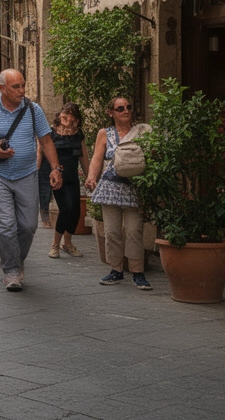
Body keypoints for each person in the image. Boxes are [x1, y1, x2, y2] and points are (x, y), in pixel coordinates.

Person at [0, 69, 60, 291]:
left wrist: (55, 168)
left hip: (27, 174)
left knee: (28, 226)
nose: (22, 90)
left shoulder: (33, 109)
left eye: (22, 85)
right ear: (2, 88)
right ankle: (11, 271)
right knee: (5, 226)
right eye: (16, 87)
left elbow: (46, 140)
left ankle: (16, 259)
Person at [86, 98, 152, 290]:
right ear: (111, 112)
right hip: (110, 187)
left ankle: (138, 272)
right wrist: (91, 177)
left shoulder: (141, 132)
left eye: (129, 107)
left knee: (134, 231)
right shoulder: (104, 134)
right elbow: (97, 158)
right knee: (112, 231)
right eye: (120, 108)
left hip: (134, 187)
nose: (126, 111)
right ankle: (116, 270)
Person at [47, 104, 86, 259]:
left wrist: (90, 176)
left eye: (71, 115)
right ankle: (55, 244)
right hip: (57, 176)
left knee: (76, 211)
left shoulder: (78, 134)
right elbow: (42, 152)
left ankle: (67, 243)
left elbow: (84, 156)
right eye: (65, 113)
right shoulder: (52, 133)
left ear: (76, 119)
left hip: (73, 176)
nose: (67, 117)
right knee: (66, 209)